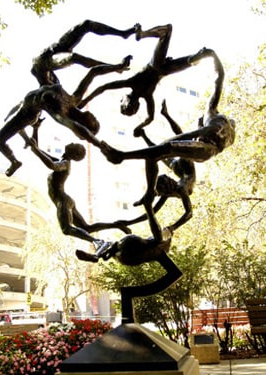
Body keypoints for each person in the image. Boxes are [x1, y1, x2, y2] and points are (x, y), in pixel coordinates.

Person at [0, 55, 132, 177]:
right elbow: (93, 72)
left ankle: (14, 162)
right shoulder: (74, 99)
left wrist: (99, 145)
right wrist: (117, 67)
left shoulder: (62, 114)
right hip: (30, 100)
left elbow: (76, 128)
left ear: (86, 126)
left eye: (94, 122)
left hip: (27, 113)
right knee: (37, 67)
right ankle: (23, 141)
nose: (94, 117)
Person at [99, 49, 235, 167]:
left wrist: (213, 55)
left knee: (167, 147)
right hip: (209, 150)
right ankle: (122, 156)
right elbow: (219, 78)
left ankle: (121, 155)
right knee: (165, 149)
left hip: (207, 149)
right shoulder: (216, 122)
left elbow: (219, 78)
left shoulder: (211, 115)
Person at [79, 24, 218, 137]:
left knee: (192, 60)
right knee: (167, 31)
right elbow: (103, 87)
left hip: (164, 70)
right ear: (126, 102)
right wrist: (85, 101)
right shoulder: (131, 84)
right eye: (122, 102)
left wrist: (140, 127)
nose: (122, 99)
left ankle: (198, 57)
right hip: (157, 65)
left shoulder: (147, 95)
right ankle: (143, 34)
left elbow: (150, 118)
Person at [25, 133, 131, 245]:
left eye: (74, 145)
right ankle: (117, 225)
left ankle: (97, 242)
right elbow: (36, 149)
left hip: (62, 200)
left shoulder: (65, 163)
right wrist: (35, 129)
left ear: (73, 153)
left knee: (67, 229)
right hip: (65, 200)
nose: (71, 143)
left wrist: (36, 149)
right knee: (87, 228)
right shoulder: (61, 160)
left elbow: (51, 165)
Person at [117, 99, 196, 234]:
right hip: (183, 168)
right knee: (175, 143)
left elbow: (189, 213)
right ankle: (163, 116)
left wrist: (172, 228)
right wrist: (128, 222)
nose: (170, 179)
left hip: (182, 167)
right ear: (167, 189)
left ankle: (163, 116)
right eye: (168, 181)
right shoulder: (176, 190)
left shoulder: (180, 188)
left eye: (167, 179)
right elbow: (152, 211)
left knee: (177, 142)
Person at [31, 20, 140, 86]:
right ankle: (116, 68)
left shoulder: (39, 76)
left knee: (86, 24)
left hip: (56, 47)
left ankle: (123, 33)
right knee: (74, 58)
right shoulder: (45, 74)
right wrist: (114, 67)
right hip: (50, 60)